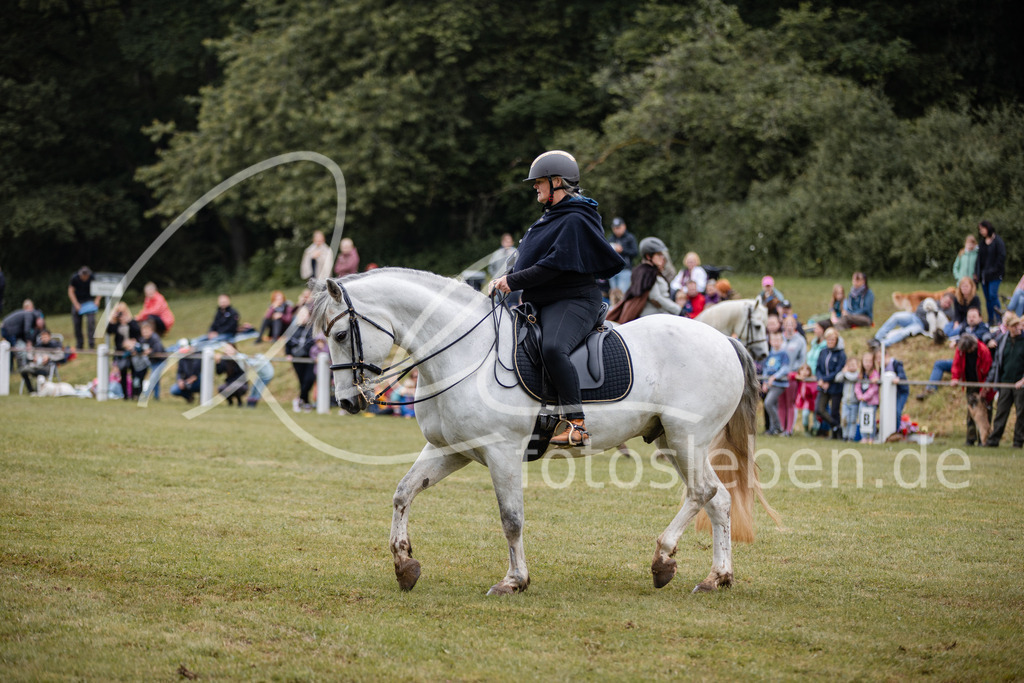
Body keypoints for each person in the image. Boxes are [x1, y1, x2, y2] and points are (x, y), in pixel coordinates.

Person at [490, 150, 625, 447]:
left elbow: (553, 266)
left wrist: (512, 281)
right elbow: (528, 260)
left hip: (575, 301)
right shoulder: (549, 219)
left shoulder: (576, 218)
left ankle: (577, 423)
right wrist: (506, 277)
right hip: (542, 302)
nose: (535, 187)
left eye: (539, 182)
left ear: (557, 182)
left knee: (552, 348)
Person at [606, 237, 681, 323]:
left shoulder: (649, 271)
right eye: (659, 254)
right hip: (653, 317)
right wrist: (678, 310)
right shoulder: (648, 273)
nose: (662, 257)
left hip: (659, 315)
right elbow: (655, 298)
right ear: (648, 256)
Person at [985, 313, 1024, 447]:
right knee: (1001, 412)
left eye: (1018, 324)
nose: (1017, 327)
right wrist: (993, 381)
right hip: (1005, 382)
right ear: (1007, 327)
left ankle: (1018, 442)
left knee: (1021, 414)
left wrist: (1023, 380)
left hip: (1020, 384)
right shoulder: (1003, 340)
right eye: (1014, 325)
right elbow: (997, 362)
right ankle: (993, 440)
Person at [950, 333, 992, 446]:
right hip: (970, 384)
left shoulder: (983, 350)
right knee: (971, 413)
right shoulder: (961, 350)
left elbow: (988, 371)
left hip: (983, 384)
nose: (968, 352)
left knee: (984, 412)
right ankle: (970, 438)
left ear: (973, 346)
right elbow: (956, 365)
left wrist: (985, 387)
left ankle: (984, 439)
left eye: (969, 350)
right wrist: (955, 378)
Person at [870, 292, 953, 348]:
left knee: (904, 332)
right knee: (896, 316)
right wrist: (928, 312)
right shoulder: (930, 301)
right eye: (946, 302)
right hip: (914, 317)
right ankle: (877, 338)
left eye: (949, 303)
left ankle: (883, 344)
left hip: (921, 325)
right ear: (942, 298)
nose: (946, 304)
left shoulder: (948, 314)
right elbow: (918, 309)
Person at [286, 289, 317, 413]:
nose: (303, 317)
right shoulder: (294, 329)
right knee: (302, 381)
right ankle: (306, 403)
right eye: (301, 315)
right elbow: (288, 343)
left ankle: (300, 400)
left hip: (310, 358)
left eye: (305, 315)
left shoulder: (312, 328)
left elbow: (314, 342)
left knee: (308, 380)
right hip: (297, 358)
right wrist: (288, 353)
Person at [815, 328, 846, 439]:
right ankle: (836, 426)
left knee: (834, 411)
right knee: (819, 409)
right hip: (823, 385)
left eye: (833, 339)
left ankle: (836, 435)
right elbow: (818, 368)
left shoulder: (841, 354)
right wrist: (820, 379)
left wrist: (827, 380)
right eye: (829, 339)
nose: (830, 341)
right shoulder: (823, 352)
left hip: (835, 385)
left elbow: (838, 370)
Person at [778, 316, 807, 436]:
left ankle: (789, 429)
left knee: (790, 402)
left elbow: (802, 359)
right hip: (780, 376)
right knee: (780, 403)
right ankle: (781, 427)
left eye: (792, 323)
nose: (789, 326)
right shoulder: (780, 338)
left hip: (792, 376)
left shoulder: (800, 340)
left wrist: (792, 370)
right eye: (787, 323)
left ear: (795, 325)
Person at [107, 302, 143, 399]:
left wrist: (129, 321)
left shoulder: (132, 321)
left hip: (132, 352)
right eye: (119, 312)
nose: (121, 314)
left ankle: (136, 394)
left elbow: (138, 332)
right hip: (121, 353)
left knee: (135, 373)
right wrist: (113, 317)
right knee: (122, 373)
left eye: (122, 312)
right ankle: (125, 396)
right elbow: (109, 330)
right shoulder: (116, 323)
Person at [975, 219, 1006, 325]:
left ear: (987, 228)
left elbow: (1001, 257)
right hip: (984, 275)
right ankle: (990, 319)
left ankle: (999, 318)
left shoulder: (997, 241)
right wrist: (977, 272)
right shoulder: (982, 243)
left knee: (993, 295)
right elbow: (979, 259)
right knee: (987, 298)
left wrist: (994, 269)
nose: (981, 232)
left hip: (995, 275)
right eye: (980, 230)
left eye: (982, 229)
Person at [761, 331, 790, 436]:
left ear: (782, 341)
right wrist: (764, 382)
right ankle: (773, 428)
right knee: (773, 405)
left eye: (778, 340)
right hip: (770, 383)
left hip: (779, 384)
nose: (776, 342)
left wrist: (775, 377)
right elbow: (765, 369)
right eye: (774, 340)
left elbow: (785, 368)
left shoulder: (783, 354)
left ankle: (778, 426)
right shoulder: (770, 354)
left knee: (768, 403)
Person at [18, 328, 64, 393]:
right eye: (42, 336)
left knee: (39, 373)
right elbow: (29, 354)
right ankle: (31, 390)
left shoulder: (55, 345)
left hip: (47, 367)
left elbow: (61, 356)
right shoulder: (38, 345)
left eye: (46, 336)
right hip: (36, 366)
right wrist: (33, 357)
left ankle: (40, 391)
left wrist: (49, 357)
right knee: (23, 371)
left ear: (49, 337)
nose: (44, 338)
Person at [606, 217, 638, 305]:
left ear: (624, 226)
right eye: (615, 228)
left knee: (622, 296)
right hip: (613, 271)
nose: (616, 230)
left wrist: (622, 250)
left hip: (625, 270)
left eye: (618, 227)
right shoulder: (611, 238)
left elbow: (635, 252)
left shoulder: (630, 237)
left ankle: (622, 315)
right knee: (613, 295)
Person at [68, 266, 101, 350]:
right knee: (76, 324)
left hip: (89, 302)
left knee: (91, 323)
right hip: (78, 302)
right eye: (84, 276)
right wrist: (76, 304)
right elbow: (70, 291)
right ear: (80, 275)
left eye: (87, 276)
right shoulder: (75, 278)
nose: (85, 277)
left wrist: (97, 300)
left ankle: (91, 344)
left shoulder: (92, 277)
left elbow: (99, 289)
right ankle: (79, 344)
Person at [855, 351, 880, 443]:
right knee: (862, 419)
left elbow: (874, 389)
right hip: (862, 401)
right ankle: (864, 437)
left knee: (871, 420)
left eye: (870, 361)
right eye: (866, 361)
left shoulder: (875, 374)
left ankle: (871, 438)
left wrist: (865, 397)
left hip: (871, 401)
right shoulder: (861, 374)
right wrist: (860, 396)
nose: (868, 363)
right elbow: (857, 386)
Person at [138, 320, 165, 399]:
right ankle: (156, 396)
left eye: (147, 331)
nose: (145, 333)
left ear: (151, 330)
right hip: (152, 361)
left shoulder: (155, 338)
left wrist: (151, 351)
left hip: (160, 361)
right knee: (155, 379)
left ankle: (146, 396)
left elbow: (158, 349)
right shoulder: (142, 339)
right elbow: (140, 348)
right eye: (143, 331)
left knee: (153, 377)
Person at [837, 357, 861, 442]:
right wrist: (843, 371)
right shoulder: (845, 374)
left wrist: (846, 373)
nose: (852, 367)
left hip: (854, 403)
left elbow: (852, 378)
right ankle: (845, 436)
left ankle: (851, 437)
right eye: (849, 365)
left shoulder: (858, 375)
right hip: (845, 402)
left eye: (854, 365)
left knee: (853, 420)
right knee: (844, 420)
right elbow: (837, 378)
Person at [170, 339, 201, 404]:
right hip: (186, 381)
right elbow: (179, 372)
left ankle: (202, 399)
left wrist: (191, 380)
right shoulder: (182, 358)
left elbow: (198, 372)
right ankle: (189, 397)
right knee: (174, 390)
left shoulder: (199, 356)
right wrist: (180, 380)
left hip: (197, 382)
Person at [793, 364, 818, 435]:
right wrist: (797, 376)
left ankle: (814, 430)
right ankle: (806, 431)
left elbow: (815, 392)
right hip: (805, 402)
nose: (804, 372)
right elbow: (790, 374)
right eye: (802, 370)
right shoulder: (799, 380)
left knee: (816, 419)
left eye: (807, 370)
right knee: (805, 414)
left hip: (814, 402)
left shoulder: (813, 380)